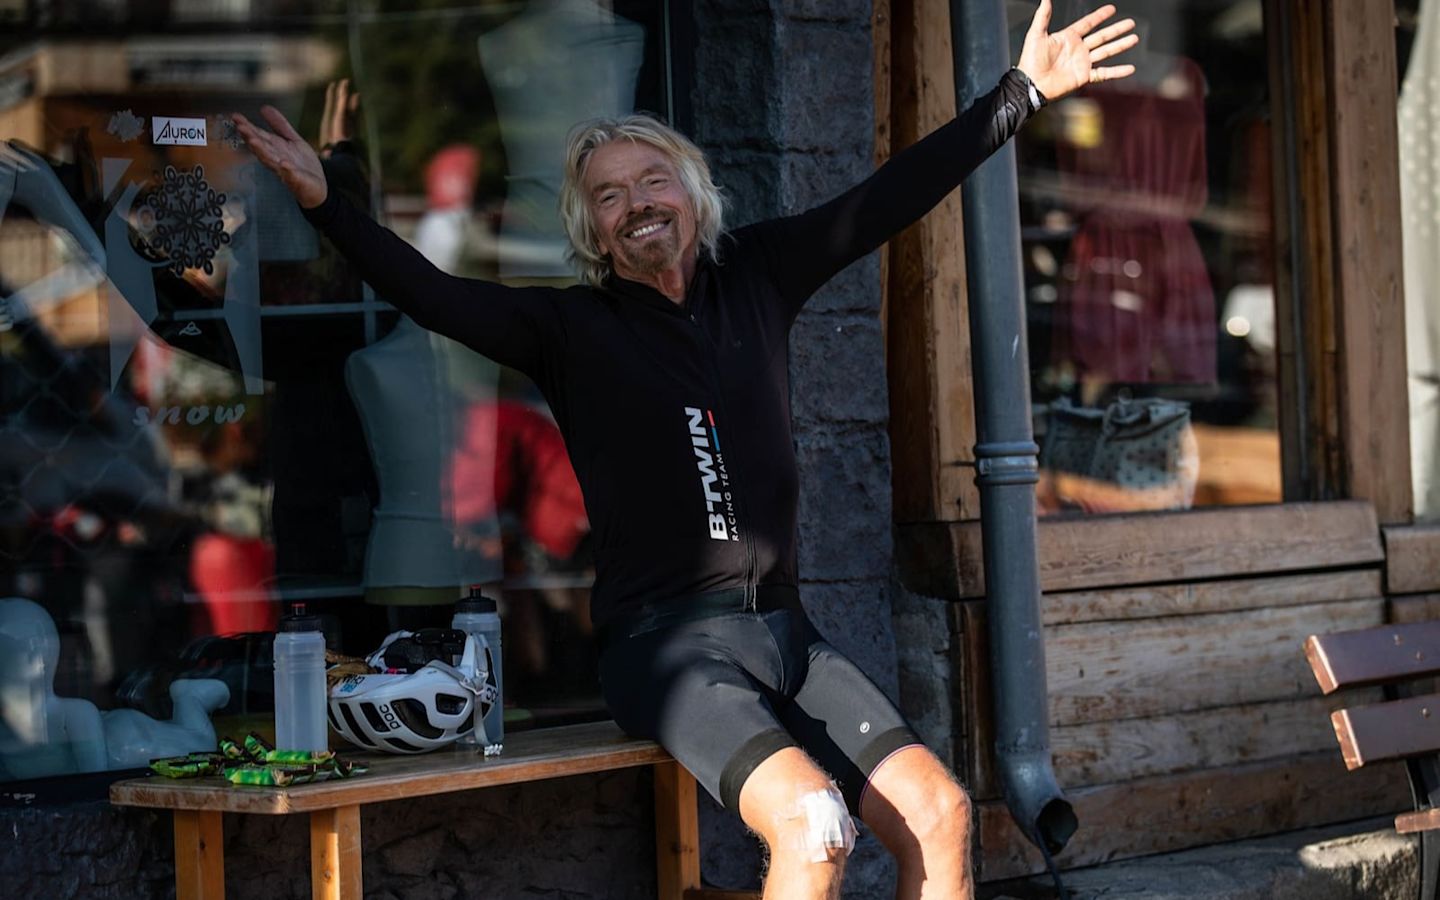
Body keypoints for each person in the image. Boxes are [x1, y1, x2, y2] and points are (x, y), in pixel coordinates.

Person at [234, 3, 1137, 897]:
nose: (635, 205)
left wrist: (1020, 93)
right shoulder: (568, 328)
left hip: (787, 633)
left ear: (692, 191)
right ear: (591, 232)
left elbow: (889, 196)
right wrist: (328, 205)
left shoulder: (759, 273)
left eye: (651, 181)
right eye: (608, 198)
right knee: (814, 822)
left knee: (939, 814)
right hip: (664, 648)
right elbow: (429, 292)